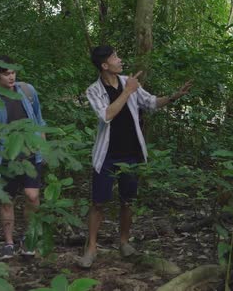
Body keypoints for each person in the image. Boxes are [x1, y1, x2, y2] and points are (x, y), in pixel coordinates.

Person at [78, 45, 192, 268]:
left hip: (132, 154)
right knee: (98, 202)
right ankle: (91, 248)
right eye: (115, 57)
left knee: (127, 200)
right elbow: (106, 115)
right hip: (107, 156)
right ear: (104, 65)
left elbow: (150, 103)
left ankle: (124, 242)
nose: (120, 60)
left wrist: (174, 96)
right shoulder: (94, 90)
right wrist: (128, 91)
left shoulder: (127, 82)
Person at [0, 55, 47, 261]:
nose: (11, 77)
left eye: (13, 72)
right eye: (6, 73)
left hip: (31, 153)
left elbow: (39, 119)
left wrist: (44, 148)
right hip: (5, 160)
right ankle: (8, 244)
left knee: (32, 197)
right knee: (6, 201)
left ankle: (29, 238)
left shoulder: (27, 91)